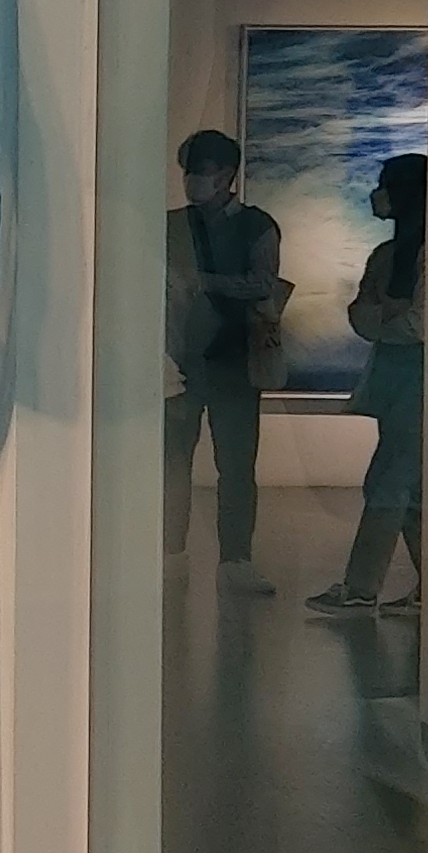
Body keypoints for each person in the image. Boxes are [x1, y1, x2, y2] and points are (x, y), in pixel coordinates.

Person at [308, 152, 428, 617]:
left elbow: (419, 324)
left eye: (385, 185)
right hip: (396, 381)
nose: (376, 195)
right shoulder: (387, 255)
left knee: (387, 483)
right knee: (409, 490)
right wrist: (390, 319)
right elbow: (363, 316)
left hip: (420, 385)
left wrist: (384, 318)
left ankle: (361, 588)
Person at [165, 129, 284, 591]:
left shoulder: (256, 225)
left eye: (202, 171)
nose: (192, 180)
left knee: (235, 466)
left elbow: (263, 283)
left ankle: (236, 559)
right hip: (181, 360)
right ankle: (168, 551)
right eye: (188, 171)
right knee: (172, 462)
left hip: (235, 360)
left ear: (227, 175)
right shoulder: (172, 224)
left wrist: (204, 281)